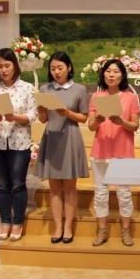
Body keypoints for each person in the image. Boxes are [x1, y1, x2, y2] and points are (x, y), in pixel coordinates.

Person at [0, 48, 38, 242]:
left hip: (19, 143)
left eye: (7, 65)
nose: (3, 70)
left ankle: (18, 222)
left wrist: (15, 117)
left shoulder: (27, 88)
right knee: (2, 186)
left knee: (18, 184)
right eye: (0, 66)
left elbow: (32, 115)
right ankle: (5, 221)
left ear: (15, 66)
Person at [35, 52, 89, 244]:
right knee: (55, 186)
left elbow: (84, 117)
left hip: (70, 137)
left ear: (69, 68)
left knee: (70, 186)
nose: (56, 72)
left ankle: (68, 226)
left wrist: (67, 113)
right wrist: (41, 111)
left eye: (60, 68)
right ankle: (58, 226)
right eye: (53, 68)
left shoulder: (79, 89)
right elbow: (43, 120)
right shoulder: (45, 89)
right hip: (51, 137)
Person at [88, 59, 140, 246]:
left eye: (116, 71)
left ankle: (126, 231)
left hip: (122, 152)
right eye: (108, 71)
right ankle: (102, 231)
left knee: (124, 193)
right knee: (100, 193)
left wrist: (122, 122)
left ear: (122, 75)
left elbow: (135, 126)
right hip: (100, 151)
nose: (111, 75)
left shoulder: (130, 97)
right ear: (103, 74)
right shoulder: (97, 96)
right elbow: (91, 126)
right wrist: (98, 120)